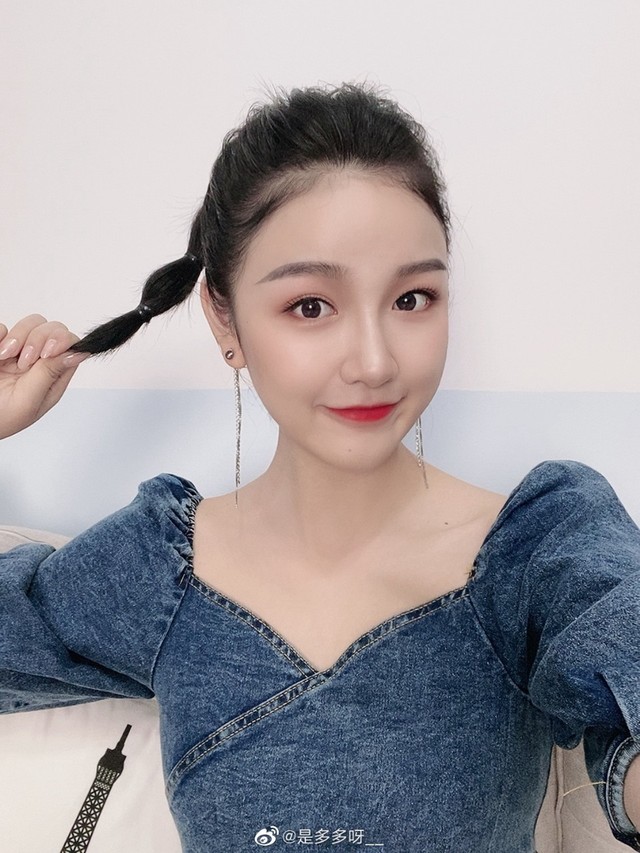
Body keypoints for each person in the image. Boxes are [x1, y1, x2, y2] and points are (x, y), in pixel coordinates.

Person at [1, 82, 639, 853]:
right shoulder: (157, 569)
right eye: (311, 306)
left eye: (412, 298)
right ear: (224, 318)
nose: (374, 361)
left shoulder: (539, 548)